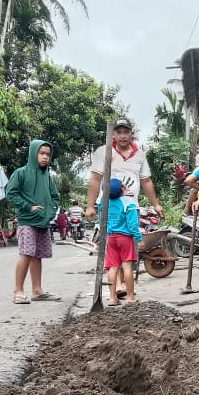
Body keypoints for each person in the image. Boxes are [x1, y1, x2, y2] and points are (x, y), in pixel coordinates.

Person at [86, 117, 162, 293]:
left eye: (126, 132)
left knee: (127, 243)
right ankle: (118, 285)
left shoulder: (140, 155)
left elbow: (146, 181)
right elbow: (95, 179)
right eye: (118, 132)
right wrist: (90, 206)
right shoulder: (103, 152)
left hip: (130, 207)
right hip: (109, 207)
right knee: (112, 242)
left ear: (131, 134)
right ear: (113, 134)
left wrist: (156, 205)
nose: (122, 136)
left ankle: (124, 284)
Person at [6, 139, 62, 304]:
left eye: (48, 154)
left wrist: (50, 212)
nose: (45, 157)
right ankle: (18, 290)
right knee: (27, 254)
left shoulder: (48, 177)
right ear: (33, 153)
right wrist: (28, 207)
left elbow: (55, 197)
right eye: (41, 153)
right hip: (27, 221)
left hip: (43, 222)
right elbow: (11, 194)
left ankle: (37, 291)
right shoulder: (21, 173)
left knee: (38, 255)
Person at [103, 178, 143, 305]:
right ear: (121, 189)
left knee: (112, 268)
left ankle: (112, 298)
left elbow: (102, 220)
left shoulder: (104, 203)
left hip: (112, 238)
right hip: (125, 238)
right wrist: (139, 239)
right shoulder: (128, 203)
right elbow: (132, 225)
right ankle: (130, 298)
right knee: (127, 267)